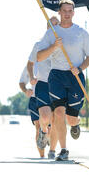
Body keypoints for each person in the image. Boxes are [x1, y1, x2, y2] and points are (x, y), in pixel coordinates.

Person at [37, 0, 89, 161]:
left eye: (70, 11)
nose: (67, 14)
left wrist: (80, 68)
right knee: (58, 112)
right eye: (64, 11)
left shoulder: (81, 33)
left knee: (70, 118)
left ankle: (75, 124)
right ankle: (63, 150)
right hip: (56, 76)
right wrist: (53, 47)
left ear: (73, 13)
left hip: (75, 76)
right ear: (60, 12)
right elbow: (39, 56)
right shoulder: (52, 33)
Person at [27, 16, 59, 159]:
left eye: (57, 25)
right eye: (51, 26)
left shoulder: (64, 44)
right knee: (45, 117)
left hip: (59, 83)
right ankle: (43, 131)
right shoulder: (39, 45)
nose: (54, 28)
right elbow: (30, 64)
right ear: (47, 28)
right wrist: (31, 77)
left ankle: (52, 151)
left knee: (56, 120)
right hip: (43, 84)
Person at [19, 65, 44, 158]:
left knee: (49, 128)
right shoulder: (30, 66)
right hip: (34, 100)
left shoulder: (52, 59)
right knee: (38, 127)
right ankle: (42, 156)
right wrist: (25, 90)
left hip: (49, 98)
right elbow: (21, 82)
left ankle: (51, 150)